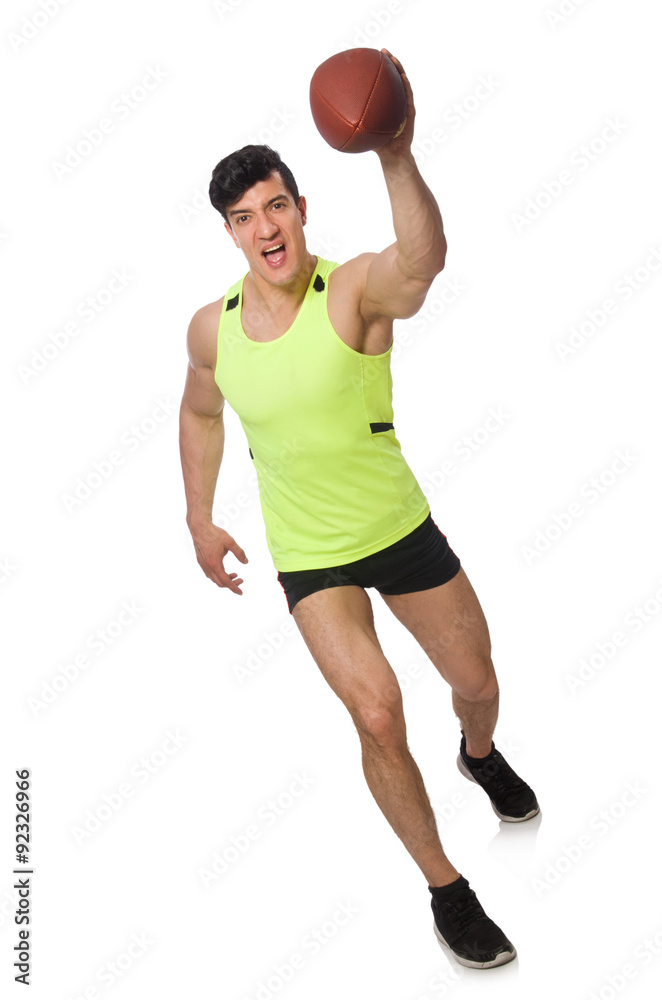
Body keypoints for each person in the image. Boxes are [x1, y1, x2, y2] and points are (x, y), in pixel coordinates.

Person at [178, 49, 539, 970]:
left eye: (276, 205)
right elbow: (199, 409)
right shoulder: (212, 326)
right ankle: (447, 888)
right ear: (230, 232)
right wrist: (199, 515)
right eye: (243, 217)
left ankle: (480, 752)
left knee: (477, 678)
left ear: (303, 207)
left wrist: (395, 154)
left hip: (401, 531)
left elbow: (423, 262)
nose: (264, 228)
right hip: (310, 556)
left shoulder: (354, 295)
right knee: (378, 715)